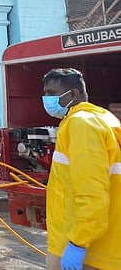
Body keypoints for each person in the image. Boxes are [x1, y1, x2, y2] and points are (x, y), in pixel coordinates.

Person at [42, 68, 120, 270]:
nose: (46, 99)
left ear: (73, 94)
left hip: (85, 250)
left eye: (51, 93)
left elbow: (91, 192)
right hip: (104, 246)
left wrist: (78, 243)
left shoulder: (81, 124)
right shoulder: (104, 118)